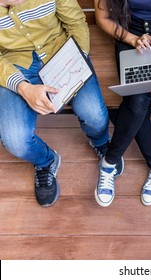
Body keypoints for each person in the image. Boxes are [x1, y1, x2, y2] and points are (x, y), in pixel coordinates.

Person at [0, 0, 111, 207]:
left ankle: (101, 142)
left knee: (94, 114)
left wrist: (76, 61)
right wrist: (23, 87)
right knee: (14, 139)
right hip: (15, 65)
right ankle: (46, 161)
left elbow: (76, 22)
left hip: (62, 52)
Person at [93, 0, 151, 207]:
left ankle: (109, 162)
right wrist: (134, 40)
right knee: (138, 100)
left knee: (136, 102)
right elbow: (102, 18)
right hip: (128, 31)